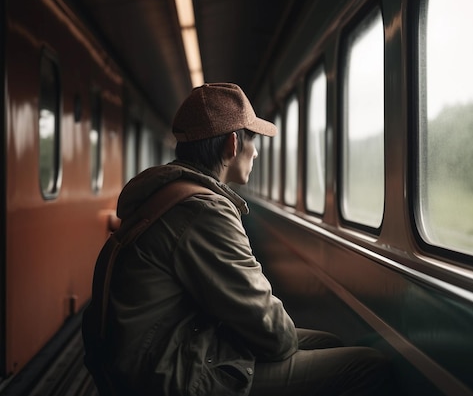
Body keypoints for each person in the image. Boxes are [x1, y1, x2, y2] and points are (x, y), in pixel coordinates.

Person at [83, 82, 391, 396]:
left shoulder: (169, 194)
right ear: (233, 144)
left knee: (327, 344)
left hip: (157, 351)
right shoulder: (203, 210)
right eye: (252, 140)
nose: (255, 152)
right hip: (167, 376)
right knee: (366, 366)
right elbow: (269, 329)